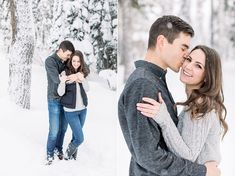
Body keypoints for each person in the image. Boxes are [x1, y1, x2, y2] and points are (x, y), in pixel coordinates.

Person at [118, 15, 220, 176]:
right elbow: (148, 156)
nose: (186, 56)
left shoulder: (154, 80)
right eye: (183, 48)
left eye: (198, 65)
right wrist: (202, 171)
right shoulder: (144, 83)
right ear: (162, 42)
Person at [137, 45, 228, 166]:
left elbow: (188, 156)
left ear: (207, 77)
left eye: (198, 66)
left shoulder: (201, 105)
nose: (188, 66)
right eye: (189, 59)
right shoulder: (196, 102)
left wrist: (164, 119)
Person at [45, 40, 78, 165]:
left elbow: (78, 68)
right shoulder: (50, 61)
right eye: (68, 55)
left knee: (63, 128)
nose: (69, 57)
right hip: (53, 99)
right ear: (60, 50)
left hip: (65, 100)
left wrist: (77, 75)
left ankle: (58, 149)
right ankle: (49, 152)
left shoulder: (67, 62)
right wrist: (69, 78)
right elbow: (56, 79)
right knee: (54, 129)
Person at [57, 50, 89, 160]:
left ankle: (72, 157)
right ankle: (67, 155)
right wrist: (62, 82)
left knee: (76, 136)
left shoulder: (82, 73)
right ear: (71, 61)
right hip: (70, 112)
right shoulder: (65, 73)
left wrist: (82, 79)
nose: (76, 63)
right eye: (74, 61)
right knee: (80, 138)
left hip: (83, 110)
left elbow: (87, 89)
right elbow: (60, 93)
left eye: (78, 61)